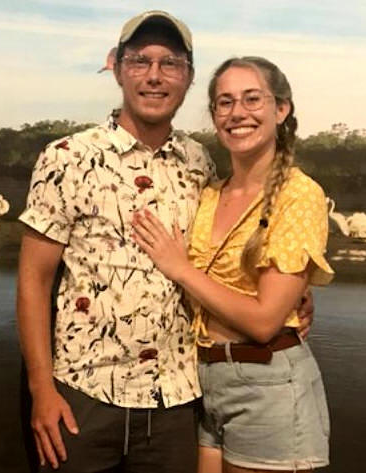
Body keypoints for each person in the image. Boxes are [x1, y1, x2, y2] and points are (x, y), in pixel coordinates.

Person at [17, 10, 314, 473]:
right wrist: (41, 388)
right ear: (117, 68)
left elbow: (226, 257)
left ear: (188, 77)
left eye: (170, 63)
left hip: (177, 401)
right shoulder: (67, 158)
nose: (154, 76)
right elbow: (33, 280)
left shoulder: (199, 163)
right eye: (140, 61)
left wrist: (291, 294)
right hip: (82, 394)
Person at [132, 56, 334, 472]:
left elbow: (263, 322)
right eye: (225, 102)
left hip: (267, 385)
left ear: (281, 109)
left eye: (252, 99)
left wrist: (180, 269)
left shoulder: (298, 195)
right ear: (214, 116)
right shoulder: (209, 193)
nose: (237, 112)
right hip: (206, 380)